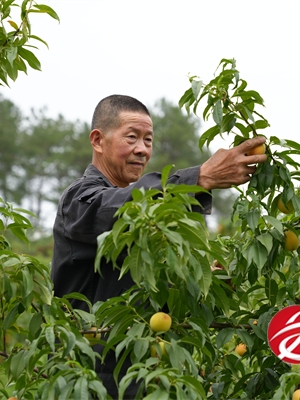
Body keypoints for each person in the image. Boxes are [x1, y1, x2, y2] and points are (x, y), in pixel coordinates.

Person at [50, 94, 267, 397]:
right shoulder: (80, 200)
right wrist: (199, 177)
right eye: (132, 137)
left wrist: (204, 286)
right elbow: (116, 208)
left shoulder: (150, 222)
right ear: (98, 140)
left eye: (148, 140)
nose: (142, 149)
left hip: (145, 380)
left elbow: (158, 308)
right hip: (88, 381)